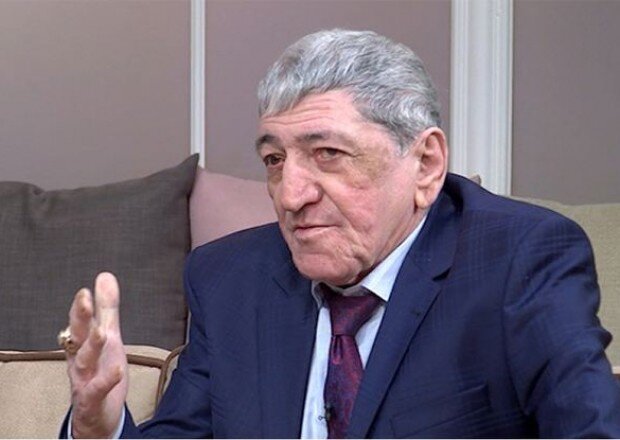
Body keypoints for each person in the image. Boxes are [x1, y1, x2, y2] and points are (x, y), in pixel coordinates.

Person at [60, 29, 620, 438]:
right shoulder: (228, 279)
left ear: (425, 164)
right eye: (275, 160)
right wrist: (98, 427)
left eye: (327, 153)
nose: (290, 195)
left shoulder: (522, 258)